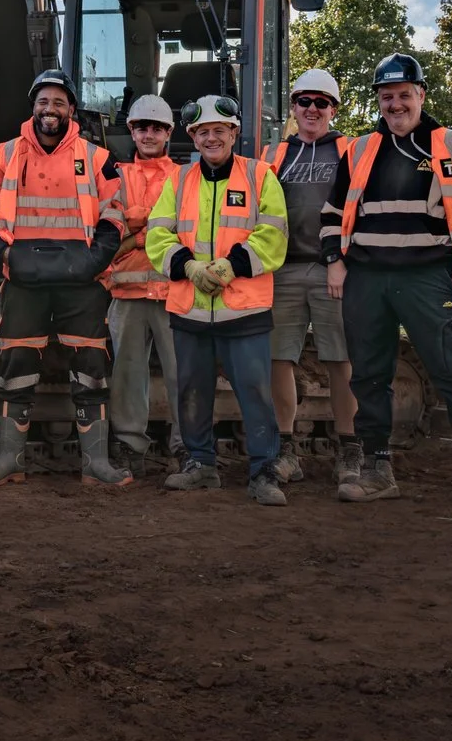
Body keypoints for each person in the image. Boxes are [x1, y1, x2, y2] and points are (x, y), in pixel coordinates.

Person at [321, 51, 452, 510]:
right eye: (386, 97)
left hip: (429, 279)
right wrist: (334, 258)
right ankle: (377, 468)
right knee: (369, 378)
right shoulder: (359, 149)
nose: (395, 105)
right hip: (367, 279)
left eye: (403, 95)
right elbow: (332, 214)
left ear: (421, 95)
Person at [0, 68, 131, 487]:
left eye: (59, 102)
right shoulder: (5, 155)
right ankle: (10, 460)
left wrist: (94, 262)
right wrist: (5, 256)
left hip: (82, 283)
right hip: (23, 281)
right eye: (43, 101)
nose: (50, 109)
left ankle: (95, 464)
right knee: (16, 364)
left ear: (72, 110)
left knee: (91, 367)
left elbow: (115, 214)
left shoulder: (97, 158)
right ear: (33, 106)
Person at [146, 93, 290, 504]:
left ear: (234, 132)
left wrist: (229, 267)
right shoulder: (178, 181)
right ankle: (200, 464)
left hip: (244, 310)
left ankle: (264, 472)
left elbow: (274, 233)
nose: (212, 138)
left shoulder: (260, 176)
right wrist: (189, 266)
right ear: (193, 137)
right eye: (203, 131)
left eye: (219, 131)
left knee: (256, 393)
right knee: (192, 391)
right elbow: (158, 233)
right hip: (191, 310)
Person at [266, 67, 357, 485]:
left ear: (334, 109)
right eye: (305, 101)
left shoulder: (352, 152)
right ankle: (285, 449)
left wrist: (342, 259)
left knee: (340, 360)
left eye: (322, 102)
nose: (313, 109)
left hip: (332, 270)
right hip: (283, 270)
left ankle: (349, 449)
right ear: (294, 106)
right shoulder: (274, 156)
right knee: (278, 358)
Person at [100, 92, 180, 474]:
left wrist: (138, 227)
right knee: (127, 374)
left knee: (184, 372)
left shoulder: (185, 178)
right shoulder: (115, 176)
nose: (149, 134)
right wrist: (151, 229)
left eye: (157, 128)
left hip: (174, 293)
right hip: (127, 293)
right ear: (132, 131)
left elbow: (186, 229)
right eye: (142, 127)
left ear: (168, 133)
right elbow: (107, 232)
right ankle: (130, 444)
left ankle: (188, 447)